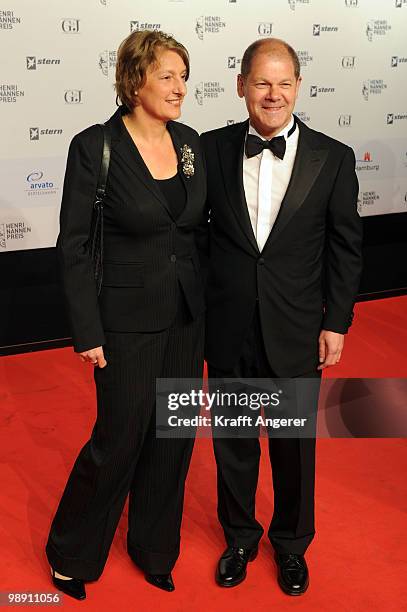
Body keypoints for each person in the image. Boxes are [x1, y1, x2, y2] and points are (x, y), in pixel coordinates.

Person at [45, 30, 206, 600]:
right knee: (119, 439)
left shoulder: (189, 142)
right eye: (168, 76)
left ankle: (154, 548)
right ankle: (72, 552)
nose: (180, 87)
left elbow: (198, 233)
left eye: (183, 76)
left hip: (187, 318)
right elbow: (74, 246)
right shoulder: (96, 146)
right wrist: (87, 329)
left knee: (174, 438)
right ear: (135, 80)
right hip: (125, 322)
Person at [199, 38, 363, 595]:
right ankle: (240, 537)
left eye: (284, 83)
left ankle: (292, 545)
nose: (273, 95)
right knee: (234, 443)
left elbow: (345, 247)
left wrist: (335, 322)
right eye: (262, 82)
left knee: (295, 448)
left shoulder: (333, 157)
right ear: (241, 84)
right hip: (228, 324)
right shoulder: (210, 149)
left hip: (295, 327)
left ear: (298, 86)